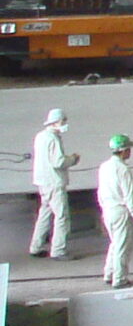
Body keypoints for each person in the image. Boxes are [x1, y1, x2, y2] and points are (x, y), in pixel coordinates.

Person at [27, 108, 74, 260]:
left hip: (42, 182)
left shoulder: (40, 136)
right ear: (55, 122)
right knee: (61, 216)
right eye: (63, 121)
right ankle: (58, 250)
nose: (64, 124)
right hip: (54, 182)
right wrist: (72, 159)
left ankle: (36, 246)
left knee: (45, 213)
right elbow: (58, 162)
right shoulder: (53, 139)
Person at [96, 135, 133, 289]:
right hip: (121, 211)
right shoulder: (123, 169)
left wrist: (102, 209)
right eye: (129, 149)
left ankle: (109, 274)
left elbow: (100, 192)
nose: (130, 152)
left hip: (108, 210)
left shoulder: (104, 167)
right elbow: (129, 195)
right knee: (122, 247)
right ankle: (120, 279)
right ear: (123, 151)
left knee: (115, 244)